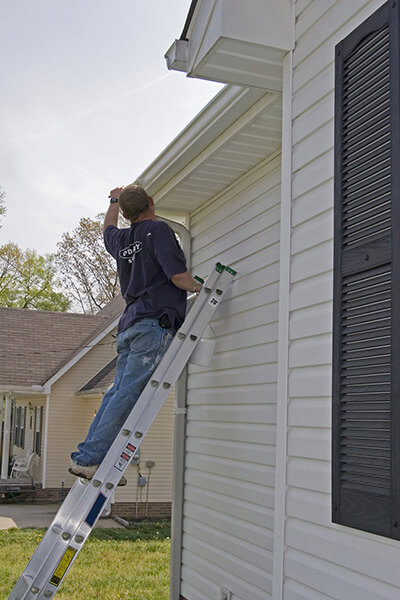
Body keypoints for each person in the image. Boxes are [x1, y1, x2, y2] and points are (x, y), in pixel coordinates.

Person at [69, 184, 202, 484]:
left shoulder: (122, 239)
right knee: (126, 395)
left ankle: (91, 455)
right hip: (153, 323)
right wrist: (198, 288)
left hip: (130, 325)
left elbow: (107, 228)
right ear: (152, 203)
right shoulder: (159, 232)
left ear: (127, 215)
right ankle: (90, 458)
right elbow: (178, 276)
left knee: (118, 392)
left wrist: (114, 200)